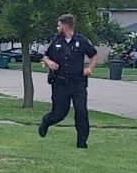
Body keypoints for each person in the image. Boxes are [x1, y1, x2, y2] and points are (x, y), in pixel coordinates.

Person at [38, 14, 99, 149]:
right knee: (59, 114)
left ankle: (82, 142)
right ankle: (46, 122)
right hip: (60, 84)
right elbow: (46, 56)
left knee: (81, 111)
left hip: (78, 83)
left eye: (59, 25)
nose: (57, 27)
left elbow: (94, 55)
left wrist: (89, 68)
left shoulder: (81, 41)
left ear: (65, 26)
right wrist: (49, 62)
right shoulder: (56, 41)